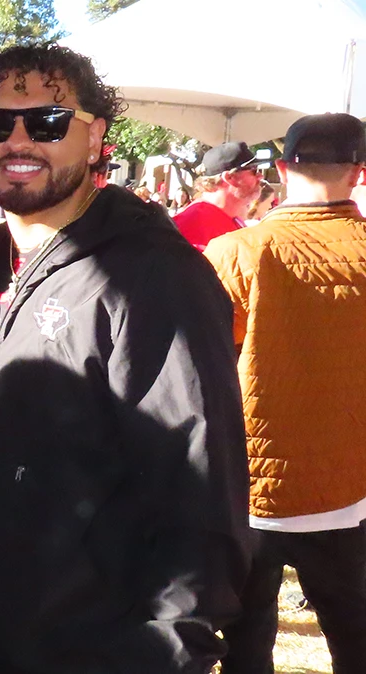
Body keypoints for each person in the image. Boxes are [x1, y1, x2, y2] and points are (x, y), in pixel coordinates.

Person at [0, 43, 250, 673]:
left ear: (95, 134)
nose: (18, 141)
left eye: (48, 122)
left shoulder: (151, 276)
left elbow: (200, 500)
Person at [204, 112, 366, 674]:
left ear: (282, 167)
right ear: (359, 173)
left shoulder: (236, 253)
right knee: (355, 636)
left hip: (251, 483)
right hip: (350, 486)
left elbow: (203, 369)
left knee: (247, 645)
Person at [173, 141, 262, 250]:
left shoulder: (228, 216)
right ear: (229, 178)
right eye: (254, 171)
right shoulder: (194, 223)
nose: (260, 176)